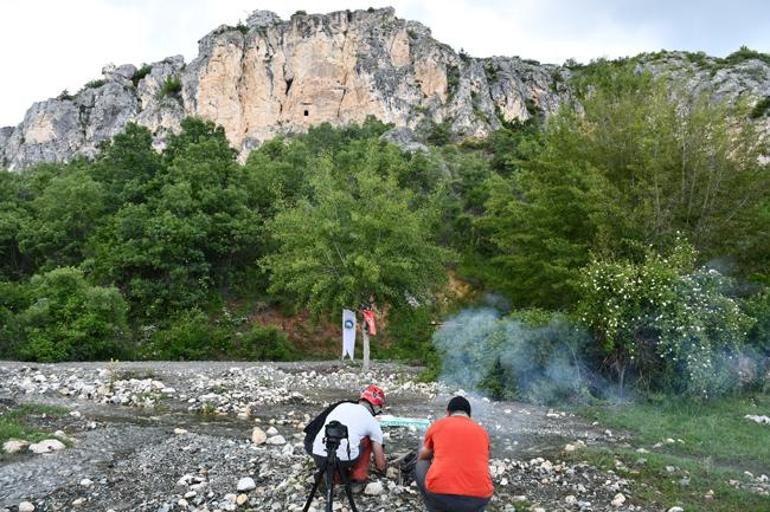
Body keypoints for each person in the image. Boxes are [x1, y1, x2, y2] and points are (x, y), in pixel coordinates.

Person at [416, 396, 494, 512]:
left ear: (448, 412)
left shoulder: (438, 425)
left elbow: (423, 455)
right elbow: (485, 457)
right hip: (479, 498)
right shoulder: (482, 432)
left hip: (440, 496)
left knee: (421, 461)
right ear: (469, 415)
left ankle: (434, 508)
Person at [306, 384, 387, 487]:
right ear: (376, 407)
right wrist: (383, 469)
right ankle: (358, 478)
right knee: (368, 439)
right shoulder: (372, 421)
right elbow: (380, 463)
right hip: (344, 459)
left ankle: (333, 476)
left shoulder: (341, 406)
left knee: (343, 439)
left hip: (317, 454)